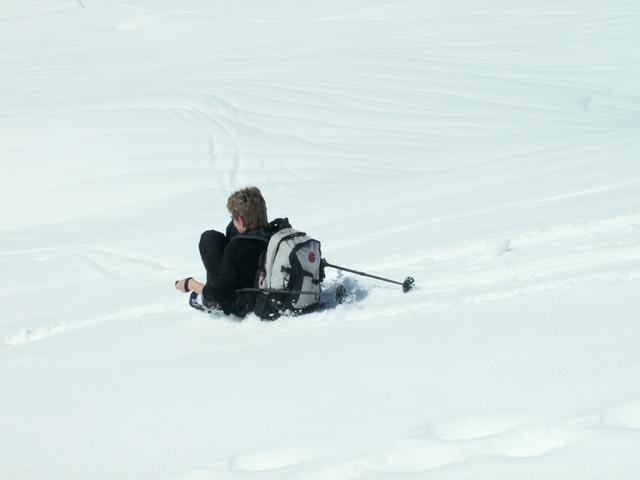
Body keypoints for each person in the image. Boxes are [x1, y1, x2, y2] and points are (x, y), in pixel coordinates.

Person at [175, 186, 269, 316]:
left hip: (237, 301)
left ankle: (211, 301)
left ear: (241, 220)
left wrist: (189, 284)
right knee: (231, 229)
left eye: (234, 217)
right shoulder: (274, 234)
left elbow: (220, 294)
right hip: (259, 278)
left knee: (208, 238)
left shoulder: (236, 249)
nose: (233, 220)